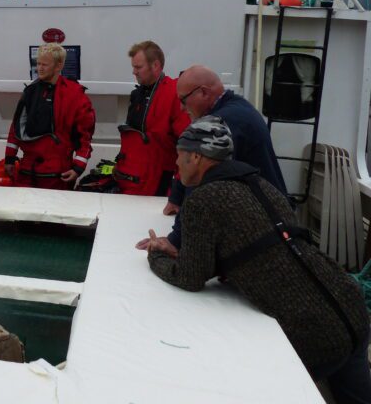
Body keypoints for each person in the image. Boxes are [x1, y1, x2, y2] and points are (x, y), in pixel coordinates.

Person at [145, 117, 371, 404]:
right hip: (351, 307)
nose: (176, 163)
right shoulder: (261, 184)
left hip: (314, 331)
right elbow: (259, 245)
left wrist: (156, 255)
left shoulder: (203, 200)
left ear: (196, 156)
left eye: (179, 155)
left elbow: (190, 278)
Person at [138, 65, 288, 250]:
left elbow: (201, 183)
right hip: (272, 215)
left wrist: (175, 241)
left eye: (183, 101)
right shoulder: (236, 107)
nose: (182, 108)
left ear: (203, 93)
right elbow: (193, 164)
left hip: (269, 231)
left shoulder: (220, 124)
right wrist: (176, 198)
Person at [5, 43, 95, 189]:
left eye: (44, 64)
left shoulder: (75, 96)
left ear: (59, 66)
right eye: (38, 63)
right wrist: (9, 158)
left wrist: (78, 167)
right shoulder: (30, 92)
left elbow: (85, 134)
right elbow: (16, 127)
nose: (39, 68)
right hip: (27, 171)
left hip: (58, 175)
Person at [116, 41, 190, 195]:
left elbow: (186, 145)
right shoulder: (138, 95)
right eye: (133, 67)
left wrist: (178, 189)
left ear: (155, 65)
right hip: (133, 180)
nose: (134, 72)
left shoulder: (173, 95)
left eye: (138, 67)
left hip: (159, 183)